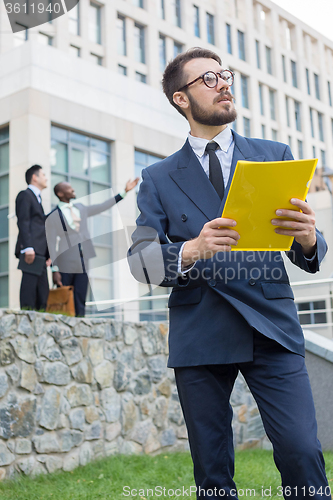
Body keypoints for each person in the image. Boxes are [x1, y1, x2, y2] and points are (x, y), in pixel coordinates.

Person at [128, 48, 330, 499]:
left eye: (225, 75)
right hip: (200, 331)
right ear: (182, 99)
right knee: (212, 471)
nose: (223, 84)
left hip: (271, 326)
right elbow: (141, 259)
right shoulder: (158, 177)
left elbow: (306, 250)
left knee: (301, 450)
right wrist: (192, 249)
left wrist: (308, 239)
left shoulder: (274, 154)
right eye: (208, 79)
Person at [46, 178, 139, 317]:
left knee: (80, 296)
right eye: (68, 188)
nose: (73, 189)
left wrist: (124, 192)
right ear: (60, 193)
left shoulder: (81, 208)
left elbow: (102, 206)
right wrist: (54, 269)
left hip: (83, 259)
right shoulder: (53, 216)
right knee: (64, 298)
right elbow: (51, 243)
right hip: (65, 260)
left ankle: (80, 327)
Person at [15, 164, 50, 311]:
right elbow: (23, 221)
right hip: (31, 251)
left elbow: (40, 227)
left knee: (43, 293)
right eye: (43, 175)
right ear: (35, 178)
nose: (46, 178)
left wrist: (48, 254)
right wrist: (28, 247)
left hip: (40, 253)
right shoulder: (25, 195)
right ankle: (25, 324)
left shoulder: (38, 199)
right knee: (29, 291)